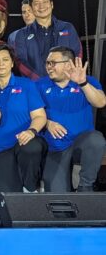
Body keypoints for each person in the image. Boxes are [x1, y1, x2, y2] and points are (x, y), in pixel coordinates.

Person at [37, 46, 106, 192]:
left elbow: (101, 102)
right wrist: (47, 123)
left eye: (53, 63)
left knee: (96, 139)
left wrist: (83, 83)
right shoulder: (39, 85)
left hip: (81, 144)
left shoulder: (87, 81)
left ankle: (85, 185)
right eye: (47, 63)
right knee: (58, 198)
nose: (49, 67)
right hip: (55, 147)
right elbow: (30, 114)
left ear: (68, 64)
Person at [0, 45, 47, 193]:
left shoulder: (26, 85)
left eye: (5, 59)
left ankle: (31, 187)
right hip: (0, 147)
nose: (1, 64)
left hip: (25, 141)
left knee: (31, 147)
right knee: (9, 196)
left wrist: (31, 131)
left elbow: (40, 116)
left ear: (12, 63)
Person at [12, 0, 82, 80]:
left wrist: (67, 77)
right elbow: (21, 62)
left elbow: (77, 53)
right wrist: (40, 81)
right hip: (37, 85)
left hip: (66, 82)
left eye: (45, 2)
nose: (41, 6)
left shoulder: (67, 28)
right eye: (36, 3)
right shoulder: (22, 34)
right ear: (31, 8)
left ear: (51, 4)